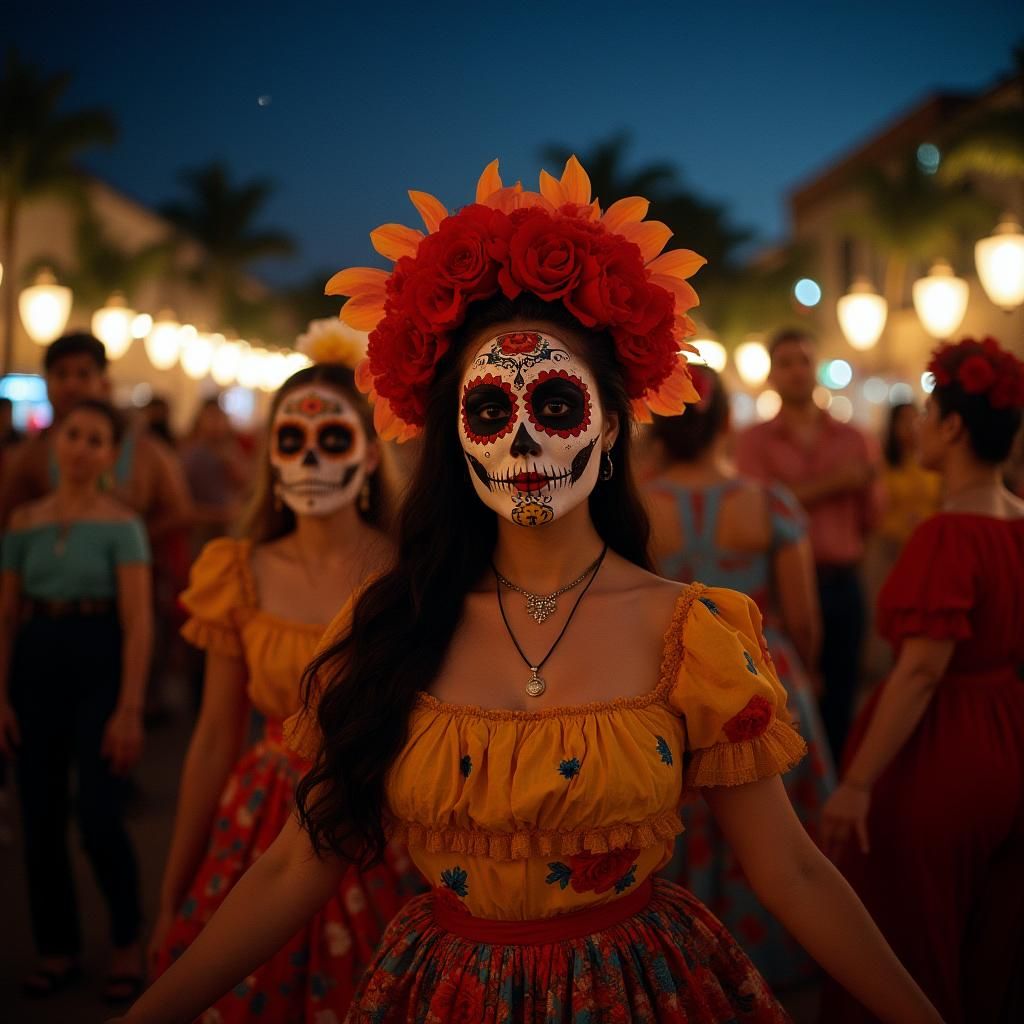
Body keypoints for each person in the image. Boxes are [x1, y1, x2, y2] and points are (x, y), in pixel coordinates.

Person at [115, 158, 940, 1024]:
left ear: (612, 425)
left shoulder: (689, 634)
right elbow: (294, 865)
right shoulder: (390, 628)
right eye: (485, 412)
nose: (520, 443)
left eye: (553, 404)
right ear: (455, 440)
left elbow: (796, 871)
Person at [149, 355, 422, 1022]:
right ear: (269, 457)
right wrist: (171, 896)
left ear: (364, 454)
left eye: (332, 439)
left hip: (382, 819)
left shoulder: (410, 577)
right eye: (291, 441)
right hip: (260, 819)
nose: (310, 459)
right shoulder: (236, 572)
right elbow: (214, 736)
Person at [820, 336, 1024, 1024]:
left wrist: (856, 784)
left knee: (915, 940)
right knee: (992, 939)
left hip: (947, 751)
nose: (917, 426)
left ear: (956, 428)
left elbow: (920, 673)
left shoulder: (948, 535)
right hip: (1010, 733)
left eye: (929, 413)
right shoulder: (1019, 525)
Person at [645, 365, 834, 991]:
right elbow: (803, 615)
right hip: (762, 681)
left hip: (669, 686)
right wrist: (804, 671)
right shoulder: (769, 502)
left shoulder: (633, 509)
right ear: (728, 420)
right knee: (779, 840)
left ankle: (690, 975)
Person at [0, 398, 153, 1004]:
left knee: (97, 813)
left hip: (99, 660)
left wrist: (131, 706)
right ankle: (55, 947)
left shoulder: (122, 524)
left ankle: (124, 940)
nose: (83, 447)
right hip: (35, 661)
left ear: (111, 455)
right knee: (37, 814)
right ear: (55, 441)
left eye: (96, 439)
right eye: (74, 435)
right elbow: (6, 615)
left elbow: (139, 622)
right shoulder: (24, 521)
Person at [735, 329, 883, 761]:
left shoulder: (854, 437)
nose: (797, 371)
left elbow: (871, 515)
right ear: (772, 375)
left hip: (841, 581)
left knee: (841, 699)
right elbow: (757, 512)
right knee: (786, 703)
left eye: (804, 360)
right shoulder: (754, 441)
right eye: (786, 362)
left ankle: (838, 790)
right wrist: (835, 484)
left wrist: (801, 493)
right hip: (782, 589)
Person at [0, 333, 193, 541]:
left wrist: (126, 542)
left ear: (104, 383)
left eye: (83, 374)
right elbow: (8, 519)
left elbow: (180, 512)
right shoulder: (31, 454)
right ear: (48, 384)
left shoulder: (145, 450)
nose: (71, 385)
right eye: (61, 374)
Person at [179, 397, 250, 555]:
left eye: (219, 418)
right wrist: (222, 515)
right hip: (201, 531)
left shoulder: (231, 450)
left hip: (228, 531)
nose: (216, 425)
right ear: (200, 420)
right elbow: (181, 504)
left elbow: (245, 484)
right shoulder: (191, 455)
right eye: (211, 418)